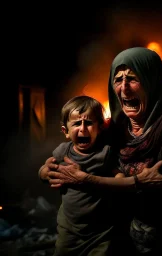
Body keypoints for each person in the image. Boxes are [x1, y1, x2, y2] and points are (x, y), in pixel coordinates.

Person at [40, 47, 162, 255]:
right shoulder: (114, 127)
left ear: (152, 81)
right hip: (124, 238)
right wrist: (51, 168)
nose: (124, 88)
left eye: (132, 79)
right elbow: (83, 152)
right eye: (118, 80)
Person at [39, 95, 127, 256]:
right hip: (69, 230)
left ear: (100, 127)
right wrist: (44, 173)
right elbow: (46, 168)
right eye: (77, 123)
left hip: (100, 233)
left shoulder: (104, 153)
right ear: (65, 131)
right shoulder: (62, 151)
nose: (83, 129)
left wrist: (117, 183)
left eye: (88, 123)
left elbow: (119, 175)